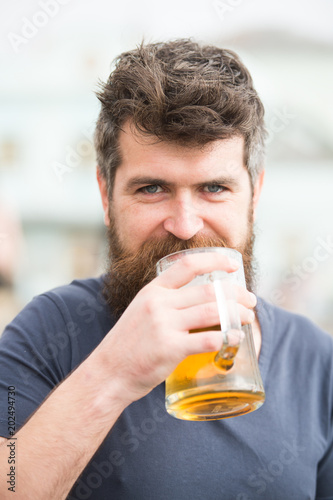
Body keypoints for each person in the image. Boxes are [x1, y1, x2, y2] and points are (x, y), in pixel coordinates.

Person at [0, 39, 332, 500]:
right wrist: (113, 374)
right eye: (152, 188)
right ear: (104, 195)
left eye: (214, 188)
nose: (185, 226)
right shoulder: (47, 331)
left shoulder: (318, 363)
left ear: (254, 195)